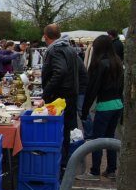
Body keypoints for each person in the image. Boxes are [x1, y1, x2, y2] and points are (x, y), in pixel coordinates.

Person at [76, 35, 124, 181]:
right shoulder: (117, 62)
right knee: (110, 139)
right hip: (117, 104)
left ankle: (94, 171)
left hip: (104, 105)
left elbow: (92, 89)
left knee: (97, 139)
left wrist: (84, 111)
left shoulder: (99, 64)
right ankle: (111, 169)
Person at [41, 23, 87, 165]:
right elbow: (81, 71)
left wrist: (46, 92)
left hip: (60, 97)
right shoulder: (70, 49)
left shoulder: (55, 50)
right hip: (70, 94)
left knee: (60, 130)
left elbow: (60, 71)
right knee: (66, 130)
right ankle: (66, 160)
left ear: (46, 37)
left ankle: (60, 162)